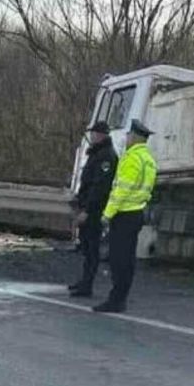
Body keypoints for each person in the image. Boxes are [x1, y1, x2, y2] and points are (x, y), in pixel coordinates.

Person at [93, 119, 157, 313]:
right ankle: (121, 297)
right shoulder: (149, 160)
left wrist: (107, 214)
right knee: (128, 259)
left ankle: (116, 299)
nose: (127, 138)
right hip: (137, 212)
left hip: (124, 214)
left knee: (118, 258)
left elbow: (121, 190)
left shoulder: (132, 158)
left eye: (129, 135)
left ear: (135, 138)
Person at [69, 121, 118, 297]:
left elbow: (99, 188)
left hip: (95, 209)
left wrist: (87, 211)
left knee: (92, 248)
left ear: (101, 135)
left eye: (94, 134)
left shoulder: (106, 156)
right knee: (86, 247)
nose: (91, 137)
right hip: (87, 205)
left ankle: (87, 284)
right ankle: (84, 281)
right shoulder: (97, 153)